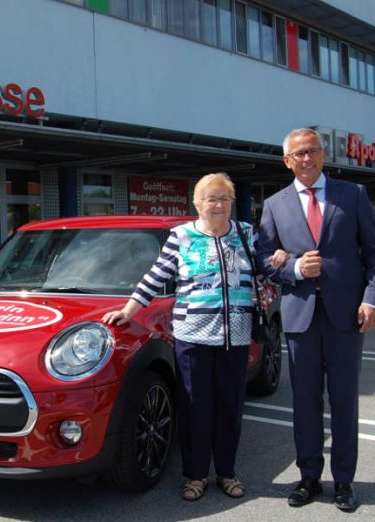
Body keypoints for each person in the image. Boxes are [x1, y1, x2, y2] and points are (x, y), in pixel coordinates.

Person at [103, 172, 287, 502]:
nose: (218, 204)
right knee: (195, 409)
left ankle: (227, 473)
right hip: (192, 337)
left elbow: (264, 269)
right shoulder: (181, 237)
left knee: (229, 408)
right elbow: (155, 276)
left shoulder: (245, 233)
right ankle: (195, 476)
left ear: (232, 203)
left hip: (236, 336)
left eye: (224, 199)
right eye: (211, 198)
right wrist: (129, 311)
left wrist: (278, 261)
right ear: (197, 203)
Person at [256, 128, 375, 512]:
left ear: (323, 154)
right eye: (299, 154)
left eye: (312, 151)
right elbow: (264, 259)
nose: (307, 158)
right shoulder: (275, 204)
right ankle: (309, 477)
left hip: (347, 316)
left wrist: (373, 301)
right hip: (300, 318)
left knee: (345, 401)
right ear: (287, 161)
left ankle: (344, 481)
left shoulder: (353, 195)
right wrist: (295, 267)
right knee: (305, 402)